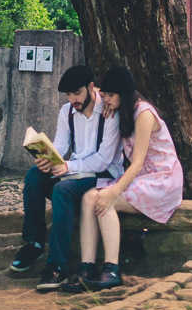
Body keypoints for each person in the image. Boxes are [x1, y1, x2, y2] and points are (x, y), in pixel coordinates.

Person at [9, 63, 124, 292]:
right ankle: (34, 243)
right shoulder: (67, 111)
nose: (73, 99)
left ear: (92, 87)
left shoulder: (110, 113)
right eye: (69, 95)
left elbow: (103, 160)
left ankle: (57, 267)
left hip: (102, 176)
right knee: (34, 176)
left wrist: (67, 166)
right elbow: (61, 145)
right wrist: (47, 157)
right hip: (75, 170)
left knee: (63, 190)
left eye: (77, 93)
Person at [69, 65, 183, 292]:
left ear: (124, 94)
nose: (106, 101)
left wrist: (112, 191)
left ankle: (112, 269)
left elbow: (138, 162)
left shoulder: (144, 114)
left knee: (105, 200)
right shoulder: (123, 107)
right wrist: (105, 96)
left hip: (162, 181)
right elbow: (101, 90)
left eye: (111, 97)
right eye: (105, 96)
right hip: (142, 180)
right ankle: (86, 267)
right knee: (89, 198)